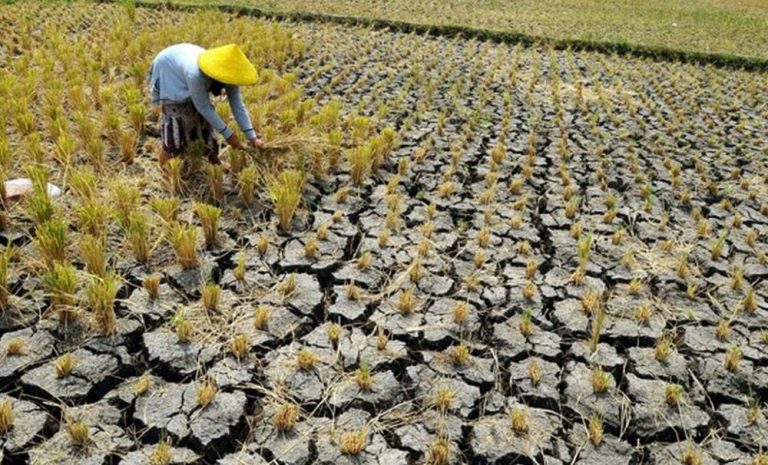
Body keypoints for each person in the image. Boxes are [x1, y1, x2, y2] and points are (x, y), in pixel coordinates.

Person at [148, 43, 264, 164]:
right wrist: (228, 135)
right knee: (176, 127)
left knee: (204, 127)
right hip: (169, 70)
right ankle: (167, 170)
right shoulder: (195, 74)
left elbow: (237, 104)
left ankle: (213, 162)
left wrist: (252, 136)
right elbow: (203, 106)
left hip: (184, 60)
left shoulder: (229, 73)